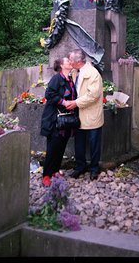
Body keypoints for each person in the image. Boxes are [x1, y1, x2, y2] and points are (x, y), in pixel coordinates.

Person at [65, 49, 104, 180]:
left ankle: (94, 169)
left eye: (70, 59)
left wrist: (75, 103)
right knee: (79, 143)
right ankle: (80, 167)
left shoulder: (93, 74)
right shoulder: (75, 72)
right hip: (78, 115)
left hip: (91, 114)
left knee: (94, 144)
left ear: (78, 61)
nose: (69, 62)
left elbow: (93, 95)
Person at [40, 57, 78, 187]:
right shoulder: (56, 79)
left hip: (66, 121)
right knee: (52, 148)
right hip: (54, 120)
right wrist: (63, 102)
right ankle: (46, 175)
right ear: (62, 65)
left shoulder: (70, 79)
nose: (70, 62)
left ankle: (55, 171)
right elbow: (49, 94)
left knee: (61, 147)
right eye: (67, 61)